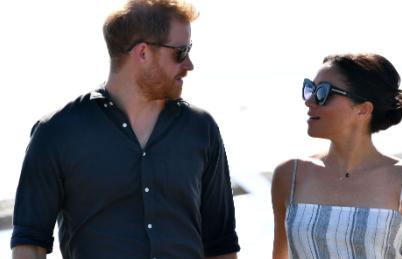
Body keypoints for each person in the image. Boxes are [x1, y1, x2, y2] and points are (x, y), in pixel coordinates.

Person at [11, 0, 240, 258]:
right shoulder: (57, 133)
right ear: (142, 53)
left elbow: (221, 244)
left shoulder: (201, 130)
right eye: (180, 51)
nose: (189, 64)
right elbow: (29, 244)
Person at [271, 53, 402, 259]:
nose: (310, 101)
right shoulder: (289, 175)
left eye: (323, 92)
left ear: (363, 109)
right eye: (310, 89)